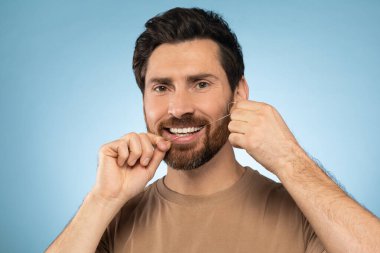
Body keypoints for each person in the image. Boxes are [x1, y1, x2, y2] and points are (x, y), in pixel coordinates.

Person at [46, 7, 379, 253]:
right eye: (161, 88)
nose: (179, 108)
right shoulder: (109, 222)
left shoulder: (305, 214)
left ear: (238, 94)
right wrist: (102, 200)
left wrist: (291, 161)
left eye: (201, 83)